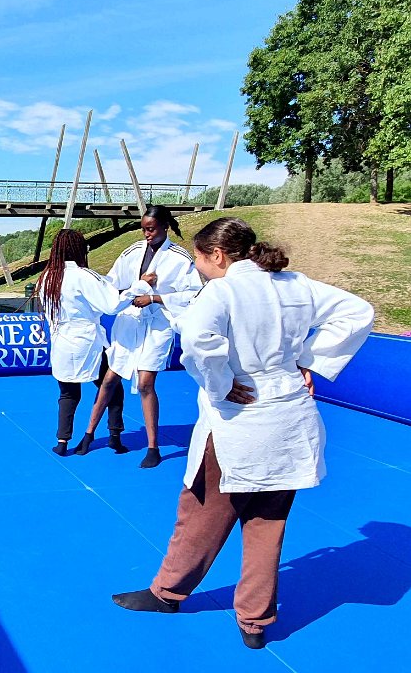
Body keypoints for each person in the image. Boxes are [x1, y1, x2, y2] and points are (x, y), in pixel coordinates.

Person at [111, 217, 374, 650]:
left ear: (216, 255)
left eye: (199, 258)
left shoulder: (222, 291)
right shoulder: (296, 284)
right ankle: (255, 620)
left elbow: (198, 341)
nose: (197, 267)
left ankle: (167, 593)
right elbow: (357, 312)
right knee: (267, 524)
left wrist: (220, 383)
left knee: (200, 513)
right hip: (289, 418)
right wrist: (310, 360)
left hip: (239, 418)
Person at [82, 204, 202, 468]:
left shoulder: (180, 258)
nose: (147, 234)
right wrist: (132, 290)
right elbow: (111, 284)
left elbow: (193, 294)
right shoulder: (132, 252)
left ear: (165, 227)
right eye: (144, 229)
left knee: (146, 382)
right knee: (110, 378)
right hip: (129, 321)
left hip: (158, 324)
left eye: (151, 229)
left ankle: (153, 447)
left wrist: (156, 297)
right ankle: (88, 434)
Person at [36, 229, 139, 456]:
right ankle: (114, 436)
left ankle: (62, 441)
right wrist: (136, 289)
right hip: (87, 341)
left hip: (62, 341)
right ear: (79, 249)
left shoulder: (47, 278)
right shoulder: (84, 276)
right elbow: (111, 305)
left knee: (68, 393)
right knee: (112, 387)